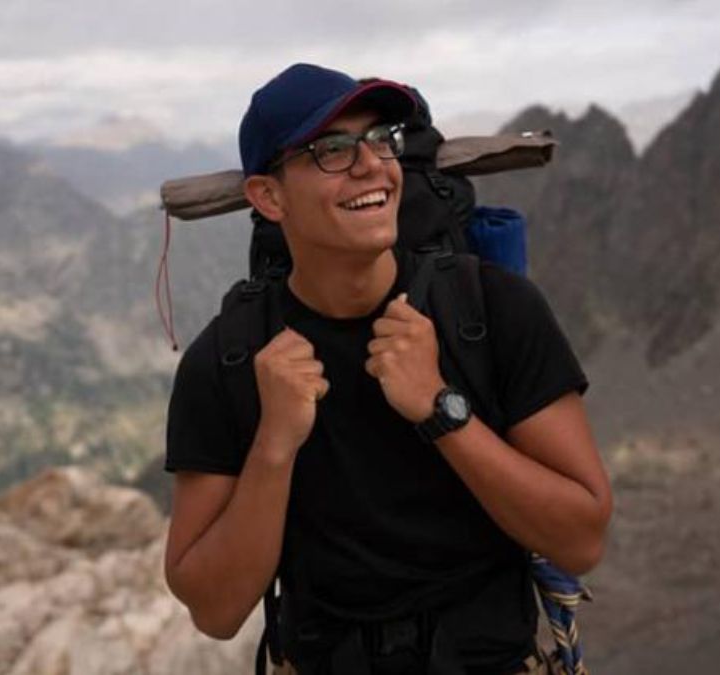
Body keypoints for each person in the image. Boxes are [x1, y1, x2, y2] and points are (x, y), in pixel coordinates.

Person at [162, 63, 612, 675]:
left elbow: (581, 539)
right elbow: (214, 610)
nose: (372, 164)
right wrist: (274, 445)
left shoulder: (492, 311)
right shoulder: (231, 358)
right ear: (268, 196)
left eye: (381, 139)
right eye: (331, 150)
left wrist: (441, 408)